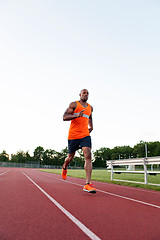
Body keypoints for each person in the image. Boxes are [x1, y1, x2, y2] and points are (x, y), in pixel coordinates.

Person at [62, 89, 96, 193]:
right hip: (73, 136)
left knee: (88, 155)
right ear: (80, 94)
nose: (86, 94)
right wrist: (76, 115)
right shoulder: (74, 104)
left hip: (85, 134)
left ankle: (87, 184)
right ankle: (65, 166)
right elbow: (64, 117)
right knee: (70, 157)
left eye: (87, 93)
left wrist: (91, 126)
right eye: (84, 93)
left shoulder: (90, 108)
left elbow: (90, 116)